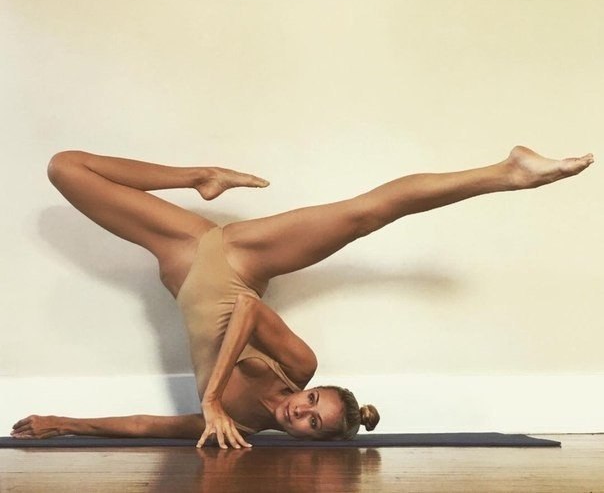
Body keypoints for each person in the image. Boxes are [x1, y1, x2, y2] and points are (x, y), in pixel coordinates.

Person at [10, 146, 594, 449]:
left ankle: (200, 178)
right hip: (238, 259)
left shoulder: (236, 425)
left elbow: (147, 427)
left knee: (66, 168)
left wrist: (61, 422)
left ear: (306, 439)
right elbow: (245, 307)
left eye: (312, 423)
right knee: (364, 214)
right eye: (314, 401)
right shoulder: (296, 366)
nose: (302, 409)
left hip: (183, 264)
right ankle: (508, 172)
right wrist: (212, 397)